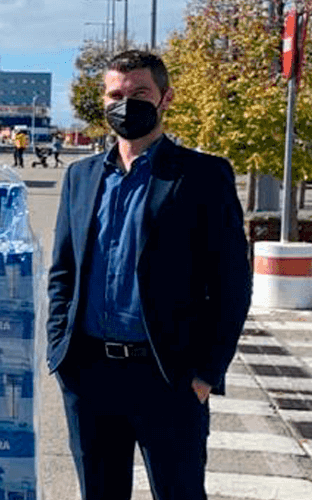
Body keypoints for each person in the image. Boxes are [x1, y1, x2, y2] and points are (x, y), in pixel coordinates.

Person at [47, 50, 250, 500]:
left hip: (168, 376)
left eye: (140, 93)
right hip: (89, 374)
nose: (126, 104)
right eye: (115, 95)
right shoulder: (81, 177)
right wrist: (60, 351)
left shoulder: (202, 176)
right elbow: (63, 272)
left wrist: (206, 374)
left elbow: (232, 283)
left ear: (165, 98)